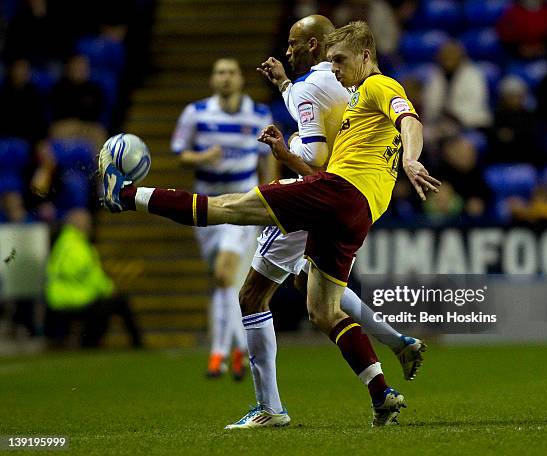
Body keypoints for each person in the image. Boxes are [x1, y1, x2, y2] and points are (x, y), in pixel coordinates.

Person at [100, 21, 440, 427]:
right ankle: (382, 392)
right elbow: (327, 158)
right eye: (330, 61)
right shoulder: (352, 103)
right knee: (322, 309)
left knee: (224, 209)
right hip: (358, 211)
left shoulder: (377, 86)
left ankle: (122, 196)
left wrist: (411, 159)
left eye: (340, 60)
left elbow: (410, 121)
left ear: (366, 56)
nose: (334, 68)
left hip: (335, 192)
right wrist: (287, 142)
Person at [229, 14, 427, 429]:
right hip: (351, 198)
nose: (288, 50)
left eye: (294, 43)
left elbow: (318, 154)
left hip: (317, 192)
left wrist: (286, 156)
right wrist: (285, 85)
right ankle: (398, 344)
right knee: (317, 290)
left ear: (315, 46)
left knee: (254, 296)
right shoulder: (348, 86)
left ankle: (270, 408)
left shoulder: (346, 84)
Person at [170, 58, 273, 379]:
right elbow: (179, 154)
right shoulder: (196, 113)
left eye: (231, 72)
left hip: (241, 203)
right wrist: (202, 157)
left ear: (240, 79)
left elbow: (267, 161)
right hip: (205, 204)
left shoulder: (258, 115)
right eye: (219, 72)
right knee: (221, 281)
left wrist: (270, 200)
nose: (225, 78)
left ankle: (219, 355)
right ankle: (238, 350)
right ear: (212, 80)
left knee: (224, 273)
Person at [44, 209, 142, 348]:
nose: (89, 225)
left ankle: (90, 343)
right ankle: (136, 344)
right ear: (78, 224)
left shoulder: (68, 241)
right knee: (118, 304)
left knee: (106, 307)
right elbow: (88, 274)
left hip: (65, 298)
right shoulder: (74, 245)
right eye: (86, 222)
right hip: (73, 299)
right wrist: (108, 288)